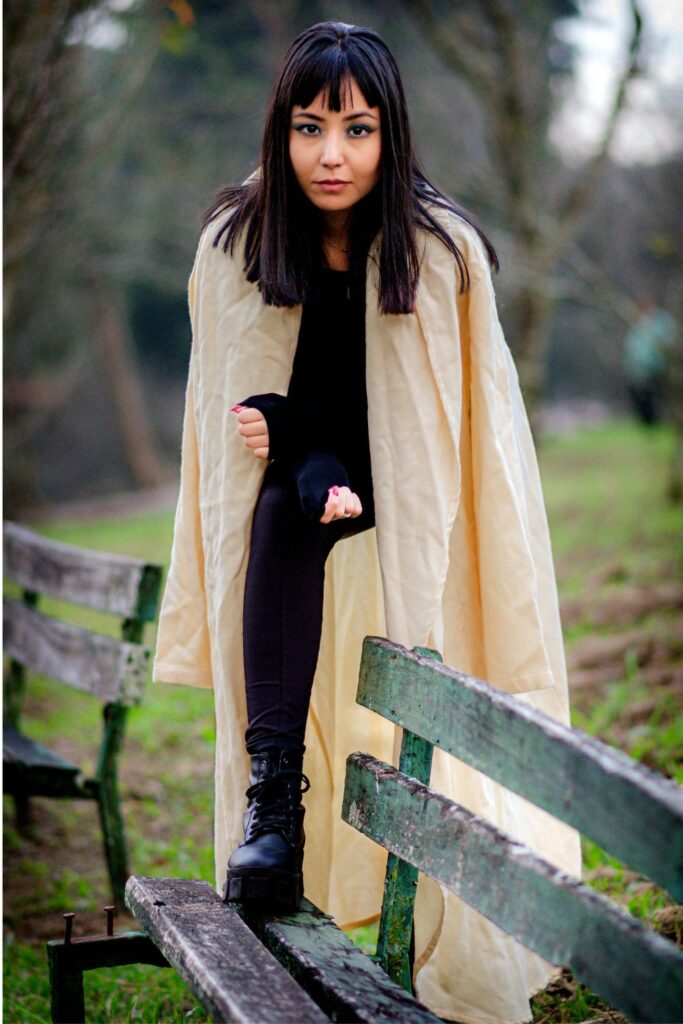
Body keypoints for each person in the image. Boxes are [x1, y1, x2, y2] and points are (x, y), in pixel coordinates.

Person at [153, 21, 581, 1024]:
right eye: (308, 127)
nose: (331, 154)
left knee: (308, 484)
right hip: (299, 481)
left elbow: (440, 440)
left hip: (398, 479)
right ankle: (272, 800)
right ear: (280, 131)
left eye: (356, 128)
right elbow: (228, 419)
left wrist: (307, 440)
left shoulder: (437, 248)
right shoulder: (236, 243)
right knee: (276, 511)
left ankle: (428, 889)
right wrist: (302, 451)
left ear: (390, 135)